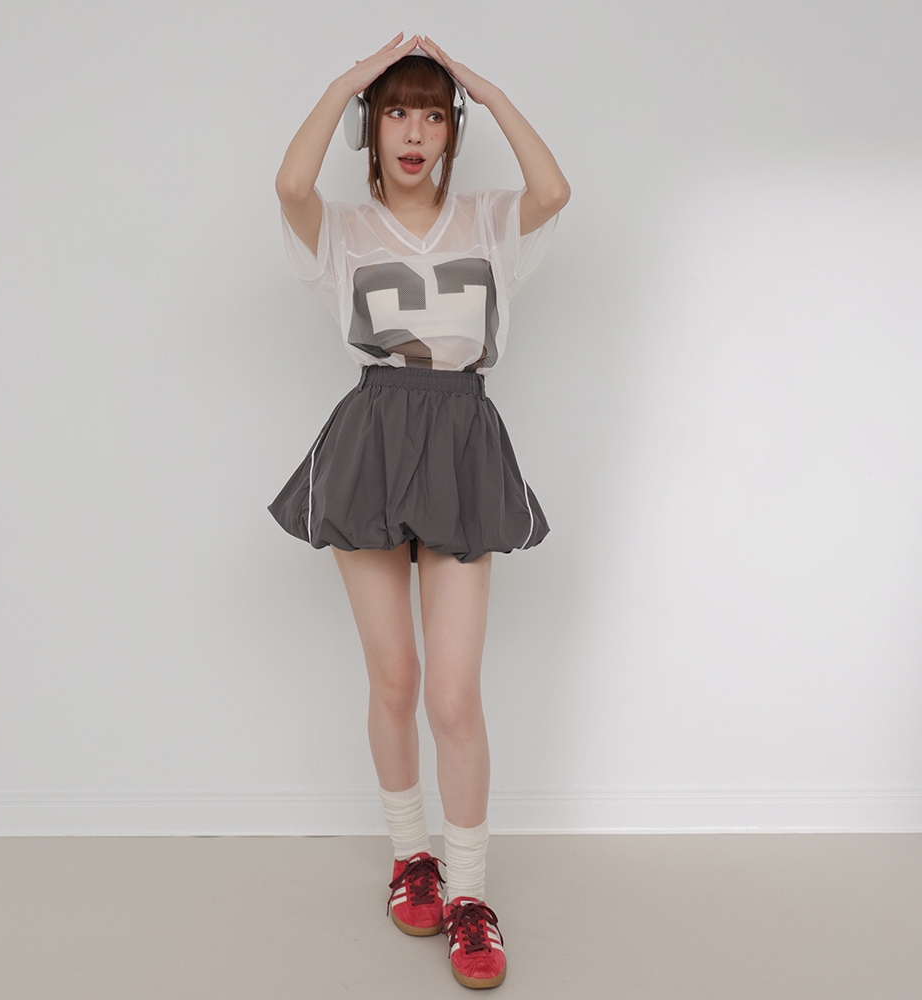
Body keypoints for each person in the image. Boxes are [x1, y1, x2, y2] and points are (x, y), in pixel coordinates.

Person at [269, 32, 569, 990]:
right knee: (395, 678)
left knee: (453, 696)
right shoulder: (344, 231)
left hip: (462, 442)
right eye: (396, 112)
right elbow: (290, 183)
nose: (413, 132)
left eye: (432, 115)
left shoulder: (489, 219)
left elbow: (555, 190)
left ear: (451, 132)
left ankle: (471, 896)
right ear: (372, 126)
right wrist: (348, 82)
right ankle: (412, 859)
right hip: (372, 440)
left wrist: (480, 85)